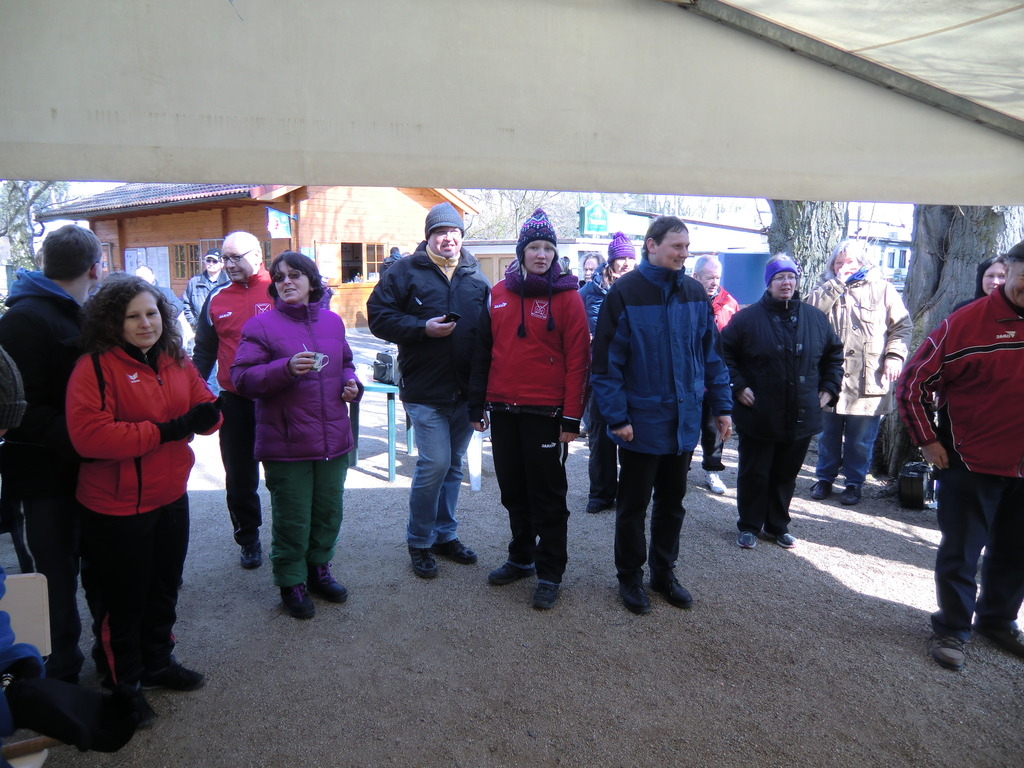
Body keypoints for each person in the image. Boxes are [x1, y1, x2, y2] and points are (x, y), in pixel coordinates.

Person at [66, 274, 221, 726]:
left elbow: (204, 404)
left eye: (151, 313)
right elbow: (91, 437)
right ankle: (125, 684)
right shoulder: (94, 367)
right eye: (132, 316)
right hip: (114, 506)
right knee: (123, 600)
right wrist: (169, 430)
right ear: (112, 322)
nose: (145, 323)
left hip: (169, 493)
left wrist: (210, 416)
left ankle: (157, 661)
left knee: (164, 586)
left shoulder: (174, 358)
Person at [591, 216, 732, 615]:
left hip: (683, 423)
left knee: (673, 504)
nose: (684, 253)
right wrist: (617, 418)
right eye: (677, 246)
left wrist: (722, 406)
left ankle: (663, 573)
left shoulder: (693, 293)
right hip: (640, 424)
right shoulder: (625, 293)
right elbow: (606, 364)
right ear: (651, 245)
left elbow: (711, 355)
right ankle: (629, 578)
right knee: (633, 506)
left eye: (686, 247)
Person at [896, 240, 1024, 672]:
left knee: (1016, 551)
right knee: (962, 553)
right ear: (1007, 271)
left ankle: (998, 620)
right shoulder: (965, 323)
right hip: (971, 464)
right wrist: (927, 440)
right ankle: (952, 627)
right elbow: (912, 384)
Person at [232, 252, 362, 620]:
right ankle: (291, 581)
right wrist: (285, 369)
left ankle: (319, 569)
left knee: (328, 513)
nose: (286, 282)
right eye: (279, 277)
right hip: (286, 443)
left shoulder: (333, 322)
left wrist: (352, 385)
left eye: (295, 275)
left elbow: (346, 364)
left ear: (311, 280)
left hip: (333, 438)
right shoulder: (260, 326)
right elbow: (242, 378)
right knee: (293, 518)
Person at [0, 225, 103, 682]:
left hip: (86, 472)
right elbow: (19, 410)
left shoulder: (80, 313)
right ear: (95, 269)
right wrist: (90, 435)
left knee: (94, 567)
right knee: (53, 577)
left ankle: (109, 662)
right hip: (43, 477)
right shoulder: (24, 319)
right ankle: (60, 672)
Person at [474, 209, 590, 610]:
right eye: (534, 247)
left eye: (548, 248)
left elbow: (580, 360)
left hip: (547, 413)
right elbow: (485, 351)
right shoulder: (498, 293)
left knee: (547, 495)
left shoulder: (568, 296)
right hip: (504, 410)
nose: (542, 254)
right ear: (522, 252)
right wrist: (478, 404)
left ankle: (550, 571)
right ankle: (521, 556)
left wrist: (572, 417)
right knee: (512, 490)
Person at [367, 202, 490, 579]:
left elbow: (488, 335)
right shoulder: (404, 271)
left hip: (464, 391)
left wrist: (483, 392)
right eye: (440, 232)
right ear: (429, 236)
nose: (448, 238)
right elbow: (378, 317)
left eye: (453, 231)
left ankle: (444, 535)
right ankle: (419, 541)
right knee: (434, 463)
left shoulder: (476, 277)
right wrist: (422, 328)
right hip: (424, 389)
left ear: (461, 236)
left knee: (452, 465)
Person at [721, 256, 844, 550]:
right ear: (769, 283)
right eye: (779, 278)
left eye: (791, 277)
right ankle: (749, 525)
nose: (786, 283)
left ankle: (777, 525)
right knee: (755, 472)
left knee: (786, 473)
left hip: (801, 412)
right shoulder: (746, 319)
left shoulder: (815, 319)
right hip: (759, 412)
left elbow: (834, 357)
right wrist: (738, 386)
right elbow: (723, 354)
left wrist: (829, 388)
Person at [807, 240, 911, 506]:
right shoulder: (824, 288)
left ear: (863, 263)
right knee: (827, 436)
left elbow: (902, 327)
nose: (843, 267)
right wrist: (835, 285)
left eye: (850, 262)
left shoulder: (883, 289)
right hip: (829, 379)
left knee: (860, 440)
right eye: (838, 262)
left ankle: (854, 483)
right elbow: (808, 316)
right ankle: (824, 479)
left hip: (869, 378)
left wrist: (895, 356)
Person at [192, 231, 273, 569]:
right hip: (235, 402)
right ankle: (248, 538)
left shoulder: (280, 289)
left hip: (278, 401)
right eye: (225, 258)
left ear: (257, 256)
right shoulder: (217, 297)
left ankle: (291, 536)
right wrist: (194, 395)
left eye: (235, 257)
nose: (228, 264)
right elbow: (203, 352)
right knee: (239, 478)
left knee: (286, 474)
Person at [579, 231, 636, 514]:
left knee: (632, 436)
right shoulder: (587, 294)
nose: (625, 263)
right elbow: (574, 331)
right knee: (600, 436)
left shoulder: (642, 289)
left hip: (633, 374)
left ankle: (630, 492)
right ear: (611, 261)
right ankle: (601, 493)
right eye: (620, 258)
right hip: (600, 373)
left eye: (629, 258)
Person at [691, 254, 740, 495]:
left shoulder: (730, 304)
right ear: (696, 276)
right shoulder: (685, 300)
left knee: (714, 428)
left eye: (717, 277)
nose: (714, 282)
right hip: (690, 380)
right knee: (688, 427)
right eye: (709, 277)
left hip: (717, 378)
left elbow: (736, 344)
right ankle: (680, 468)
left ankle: (712, 470)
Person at [182, 249, 229, 330]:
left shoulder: (229, 282)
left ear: (222, 264)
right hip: (200, 328)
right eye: (208, 260)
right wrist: (194, 323)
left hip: (223, 327)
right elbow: (186, 303)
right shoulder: (194, 281)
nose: (211, 263)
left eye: (214, 261)